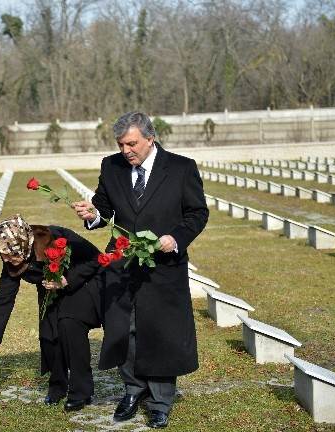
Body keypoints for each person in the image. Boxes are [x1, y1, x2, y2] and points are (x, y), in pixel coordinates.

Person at [72, 111, 209, 428]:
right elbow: (103, 209)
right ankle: (133, 390)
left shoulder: (181, 168)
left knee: (161, 331)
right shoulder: (111, 166)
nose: (126, 151)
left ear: (150, 138)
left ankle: (160, 400)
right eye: (121, 145)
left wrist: (175, 238)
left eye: (131, 144)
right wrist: (92, 214)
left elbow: (197, 213)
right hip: (122, 263)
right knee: (124, 328)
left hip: (164, 266)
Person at [0, 215, 102, 412]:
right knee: (48, 335)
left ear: (23, 245)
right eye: (2, 255)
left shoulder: (57, 237)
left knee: (69, 327)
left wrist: (66, 280)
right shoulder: (12, 254)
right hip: (49, 289)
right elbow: (3, 300)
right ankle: (57, 386)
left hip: (77, 283)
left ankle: (81, 391)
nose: (5, 259)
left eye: (9, 255)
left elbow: (95, 258)